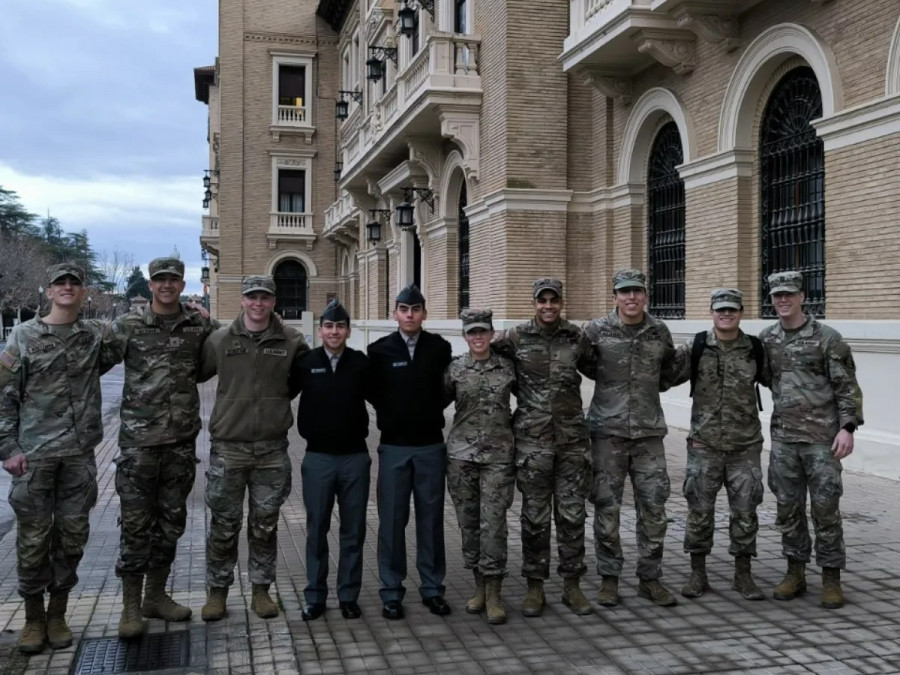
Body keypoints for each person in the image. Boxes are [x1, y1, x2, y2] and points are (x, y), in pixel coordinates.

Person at [0, 263, 120, 654]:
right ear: (48, 292)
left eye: (75, 283)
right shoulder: (23, 335)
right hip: (34, 458)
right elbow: (4, 396)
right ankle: (34, 618)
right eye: (60, 283)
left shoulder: (93, 336)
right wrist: (9, 449)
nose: (68, 288)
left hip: (78, 458)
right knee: (33, 541)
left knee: (72, 539)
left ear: (84, 292)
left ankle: (58, 613)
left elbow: (130, 341)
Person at [110, 257, 218, 638]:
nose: (167, 285)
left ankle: (155, 596)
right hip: (139, 447)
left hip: (181, 445)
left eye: (173, 279)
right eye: (160, 280)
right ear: (151, 286)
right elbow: (87, 363)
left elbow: (229, 345)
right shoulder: (128, 327)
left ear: (182, 282)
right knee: (136, 528)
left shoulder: (198, 324)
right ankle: (130, 608)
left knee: (171, 524)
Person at [198, 275, 310, 621]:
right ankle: (217, 592)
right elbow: (196, 374)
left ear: (273, 301)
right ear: (242, 300)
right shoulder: (219, 340)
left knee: (265, 523)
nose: (258, 304)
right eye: (251, 298)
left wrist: (273, 406)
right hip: (229, 447)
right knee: (224, 524)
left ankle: (262, 590)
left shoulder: (292, 341)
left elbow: (297, 383)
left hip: (271, 450)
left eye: (264, 297)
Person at [492, 278, 595, 617]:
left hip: (571, 443)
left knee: (572, 516)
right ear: (534, 303)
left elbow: (599, 368)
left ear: (561, 302)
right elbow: (487, 356)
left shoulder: (576, 337)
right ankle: (535, 587)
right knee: (534, 518)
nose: (548, 306)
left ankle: (572, 586)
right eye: (542, 300)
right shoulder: (515, 337)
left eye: (554, 300)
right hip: (532, 443)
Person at [760, 271, 863, 609]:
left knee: (825, 509)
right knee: (788, 510)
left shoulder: (827, 338)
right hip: (785, 440)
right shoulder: (767, 338)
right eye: (777, 295)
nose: (783, 300)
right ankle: (795, 572)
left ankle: (831, 577)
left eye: (789, 294)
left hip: (822, 440)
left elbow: (846, 387)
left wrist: (847, 428)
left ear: (803, 296)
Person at [583, 269, 680, 608]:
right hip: (606, 435)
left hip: (649, 435)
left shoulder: (658, 331)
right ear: (615, 297)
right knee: (606, 508)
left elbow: (667, 373)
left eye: (637, 292)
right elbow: (583, 364)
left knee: (653, 508)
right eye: (624, 292)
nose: (631, 298)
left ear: (645, 296)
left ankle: (650, 579)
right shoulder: (595, 331)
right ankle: (609, 579)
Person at [669, 288, 768, 601]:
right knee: (699, 510)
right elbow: (663, 376)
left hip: (745, 446)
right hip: (704, 445)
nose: (726, 315)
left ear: (741, 312)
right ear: (712, 312)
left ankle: (743, 574)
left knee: (745, 511)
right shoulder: (696, 346)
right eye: (720, 310)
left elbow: (780, 381)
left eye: (732, 310)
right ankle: (698, 573)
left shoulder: (755, 348)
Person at [367, 284, 453, 620]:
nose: (410, 315)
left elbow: (447, 389)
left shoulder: (439, 348)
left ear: (424, 313)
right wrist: (394, 413)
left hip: (430, 446)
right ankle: (391, 591)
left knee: (430, 521)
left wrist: (427, 410)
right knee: (391, 521)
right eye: (404, 309)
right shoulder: (379, 351)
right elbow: (374, 392)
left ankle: (433, 589)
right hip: (394, 448)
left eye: (416, 309)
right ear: (395, 313)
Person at [294, 299, 371, 621]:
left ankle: (348, 596)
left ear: (348, 331)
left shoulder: (361, 363)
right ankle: (315, 595)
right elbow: (277, 392)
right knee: (316, 530)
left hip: (355, 458)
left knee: (353, 531)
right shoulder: (305, 362)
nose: (334, 331)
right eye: (328, 326)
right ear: (320, 330)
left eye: (340, 326)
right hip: (318, 459)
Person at [443, 309, 517, 625]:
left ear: (490, 334)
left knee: (494, 525)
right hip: (461, 458)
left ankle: (495, 591)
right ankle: (478, 587)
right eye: (472, 332)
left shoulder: (508, 369)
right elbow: (434, 403)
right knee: (469, 524)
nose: (477, 337)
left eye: (482, 332)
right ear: (464, 335)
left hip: (498, 459)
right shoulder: (455, 369)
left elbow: (531, 402)